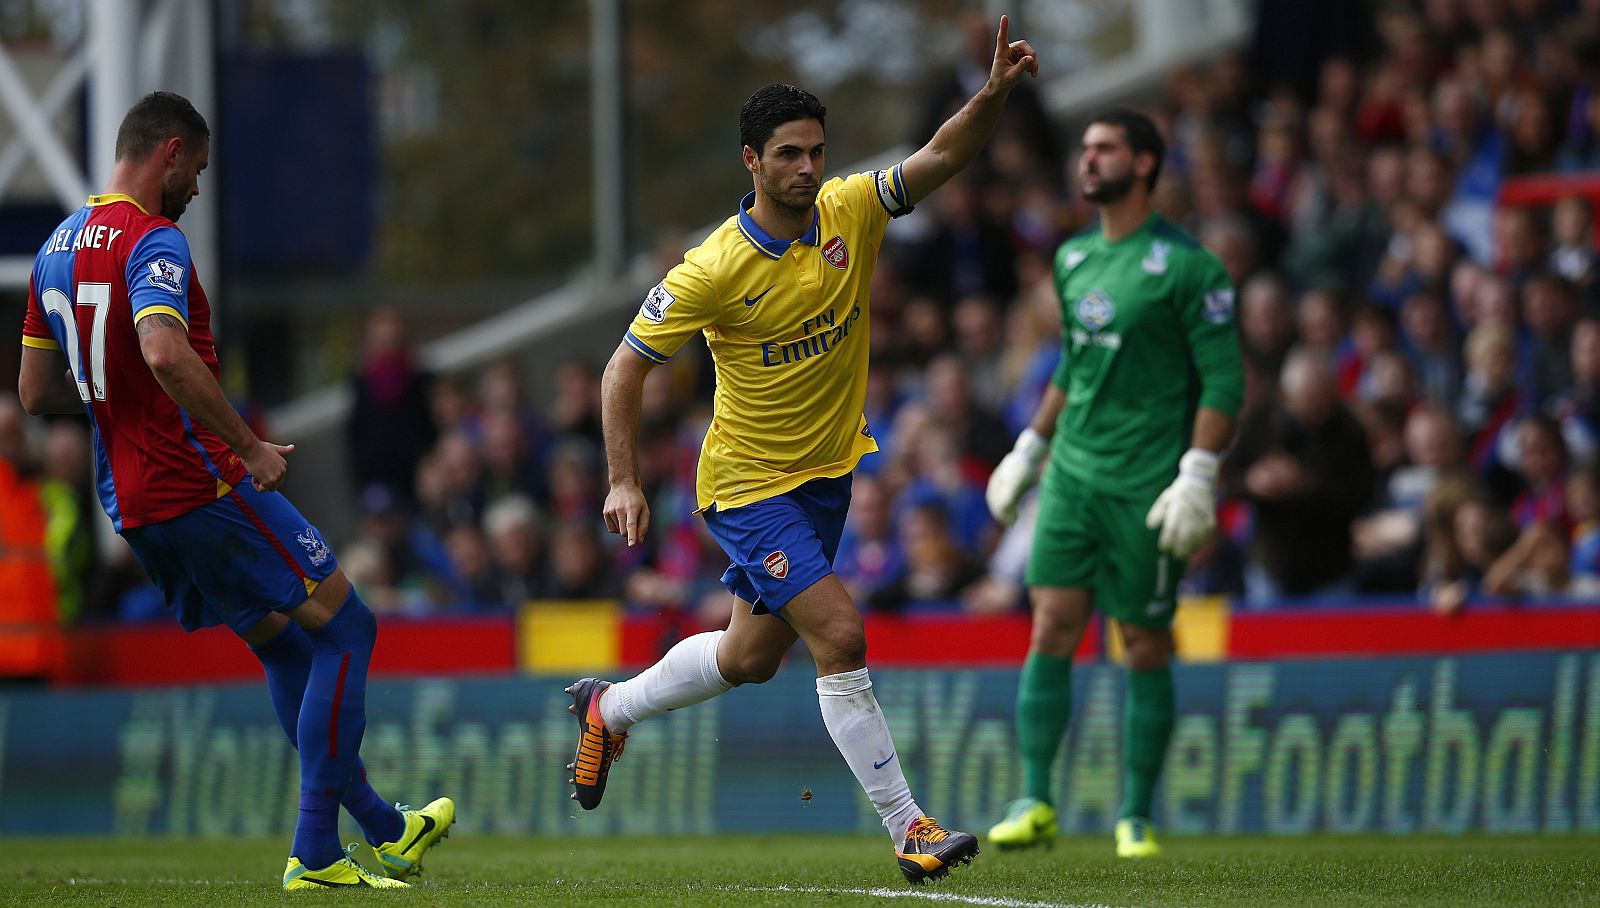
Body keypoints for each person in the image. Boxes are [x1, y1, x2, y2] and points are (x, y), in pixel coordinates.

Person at [570, 18, 1038, 887]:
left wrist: (993, 95)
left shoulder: (851, 210)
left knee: (749, 659)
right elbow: (621, 368)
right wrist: (624, 479)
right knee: (841, 630)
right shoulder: (710, 269)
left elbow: (939, 159)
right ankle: (910, 828)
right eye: (789, 154)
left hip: (826, 480)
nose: (808, 168)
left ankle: (611, 708)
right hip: (747, 487)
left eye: (817, 151)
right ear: (751, 160)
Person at [15, 92, 452, 890]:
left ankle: (389, 828)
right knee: (349, 626)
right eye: (199, 171)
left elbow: (37, 389)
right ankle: (316, 849)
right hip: (197, 481)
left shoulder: (52, 249)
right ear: (170, 152)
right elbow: (163, 349)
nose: (197, 189)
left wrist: (110, 389)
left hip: (134, 505)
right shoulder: (154, 240)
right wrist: (246, 445)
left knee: (284, 642)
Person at [983, 109, 1245, 858]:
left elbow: (1225, 378)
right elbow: (1075, 366)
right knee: (1051, 624)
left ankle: (1136, 813)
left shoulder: (1191, 266)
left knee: (1145, 641)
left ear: (1146, 164)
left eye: (1106, 149)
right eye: (1086, 148)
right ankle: (1035, 800)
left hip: (1146, 482)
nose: (1088, 160)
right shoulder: (1071, 260)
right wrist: (1030, 449)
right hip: (1072, 476)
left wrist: (1198, 472)